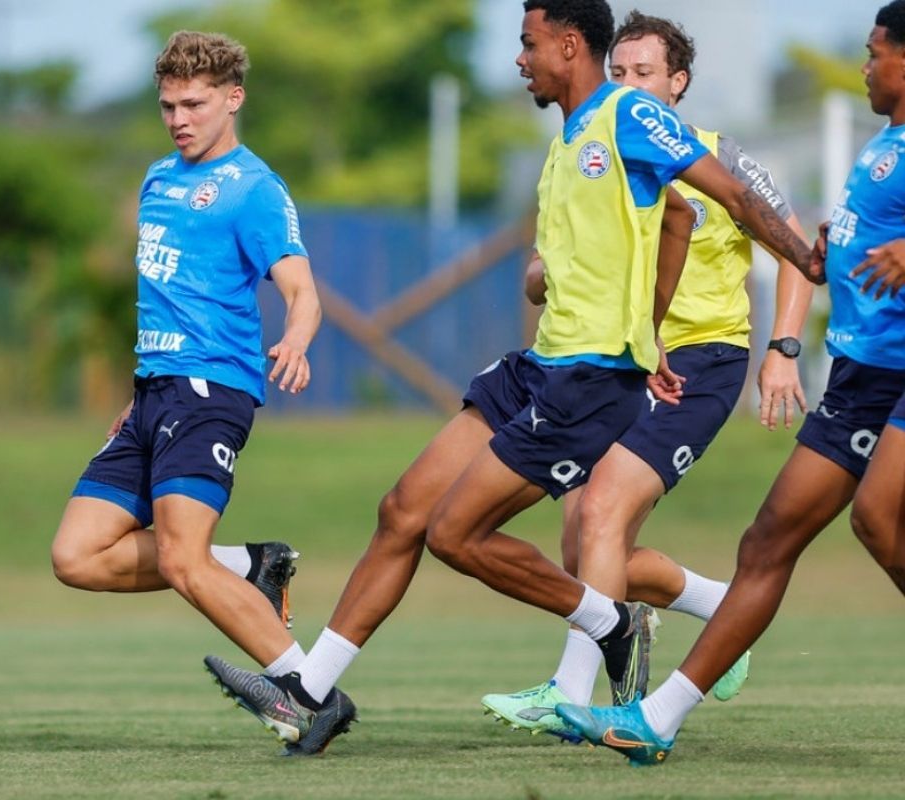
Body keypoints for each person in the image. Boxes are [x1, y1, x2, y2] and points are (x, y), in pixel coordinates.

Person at [203, 0, 818, 757]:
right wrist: (644, 323)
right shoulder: (566, 140)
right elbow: (672, 225)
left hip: (589, 380)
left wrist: (803, 260)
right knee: (402, 510)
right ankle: (312, 693)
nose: (520, 60)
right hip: (538, 366)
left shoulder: (628, 115)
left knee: (456, 535)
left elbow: (726, 199)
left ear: (569, 44)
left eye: (529, 44)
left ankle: (610, 625)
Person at [556, 0, 905, 766]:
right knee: (767, 539)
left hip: (888, 371)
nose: (865, 65)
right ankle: (657, 719)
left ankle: (584, 691)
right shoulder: (886, 142)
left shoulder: (719, 156)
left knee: (878, 520)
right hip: (861, 374)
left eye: (876, 51)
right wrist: (838, 248)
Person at [481, 10, 815, 741]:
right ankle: (724, 610)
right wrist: (543, 274)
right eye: (620, 72)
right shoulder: (598, 152)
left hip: (701, 364)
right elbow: (551, 262)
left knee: (600, 513)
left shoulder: (717, 157)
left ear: (678, 82)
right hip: (626, 362)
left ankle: (569, 694)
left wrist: (784, 349)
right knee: (584, 547)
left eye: (644, 73)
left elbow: (790, 245)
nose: (628, 85)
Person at [49, 31, 321, 677]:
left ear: (233, 98)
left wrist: (296, 339)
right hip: (153, 393)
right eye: (169, 106)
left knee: (180, 556)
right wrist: (138, 392)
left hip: (209, 392)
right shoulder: (158, 178)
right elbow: (167, 299)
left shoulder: (254, 188)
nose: (179, 120)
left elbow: (302, 289)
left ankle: (307, 691)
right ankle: (250, 565)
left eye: (194, 105)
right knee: (76, 556)